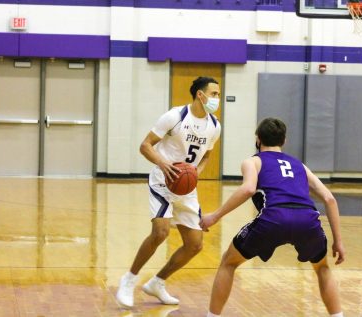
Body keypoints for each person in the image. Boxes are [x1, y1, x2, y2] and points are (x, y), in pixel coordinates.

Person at [200, 117, 346, 317]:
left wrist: (214, 216)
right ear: (283, 141)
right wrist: (338, 241)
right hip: (307, 219)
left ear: (258, 139)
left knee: (229, 262)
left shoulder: (253, 161)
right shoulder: (299, 166)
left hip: (274, 217)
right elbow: (329, 199)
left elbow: (248, 189)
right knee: (322, 268)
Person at [116, 77, 222, 308]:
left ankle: (157, 282)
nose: (217, 99)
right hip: (163, 182)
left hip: (186, 187)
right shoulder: (175, 116)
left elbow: (206, 155)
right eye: (214, 94)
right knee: (160, 232)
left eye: (218, 94)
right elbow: (145, 145)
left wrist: (196, 172)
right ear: (200, 95)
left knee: (195, 245)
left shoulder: (214, 126)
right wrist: (165, 165)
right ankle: (129, 279)